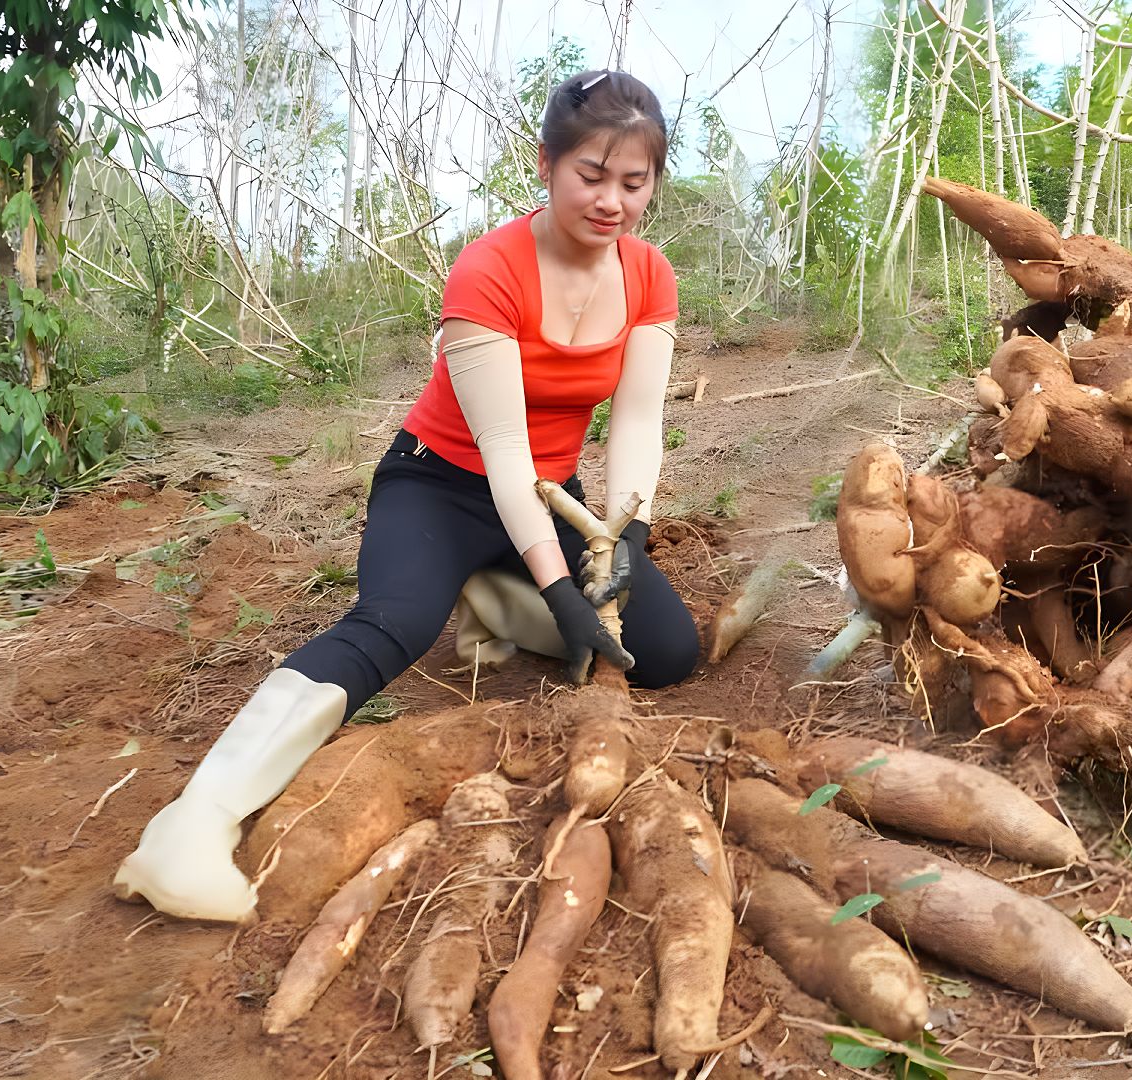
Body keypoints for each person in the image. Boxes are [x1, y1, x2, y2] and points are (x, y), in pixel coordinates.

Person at [113, 70, 700, 922]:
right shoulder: (490, 268)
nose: (611, 200)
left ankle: (495, 596)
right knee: (395, 621)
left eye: (633, 183)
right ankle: (192, 825)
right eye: (592, 176)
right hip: (440, 482)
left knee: (668, 652)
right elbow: (501, 452)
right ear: (546, 165)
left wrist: (630, 528)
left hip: (551, 494)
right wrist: (559, 585)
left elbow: (639, 417)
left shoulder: (649, 275)